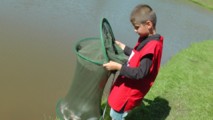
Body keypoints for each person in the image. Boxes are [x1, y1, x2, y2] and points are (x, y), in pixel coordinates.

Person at [103, 4, 164, 120]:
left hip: (129, 91)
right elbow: (138, 54)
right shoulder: (149, 39)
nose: (134, 30)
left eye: (136, 27)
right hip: (128, 85)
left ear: (148, 24)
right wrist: (124, 47)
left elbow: (140, 73)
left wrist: (118, 67)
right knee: (117, 113)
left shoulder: (152, 47)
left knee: (115, 115)